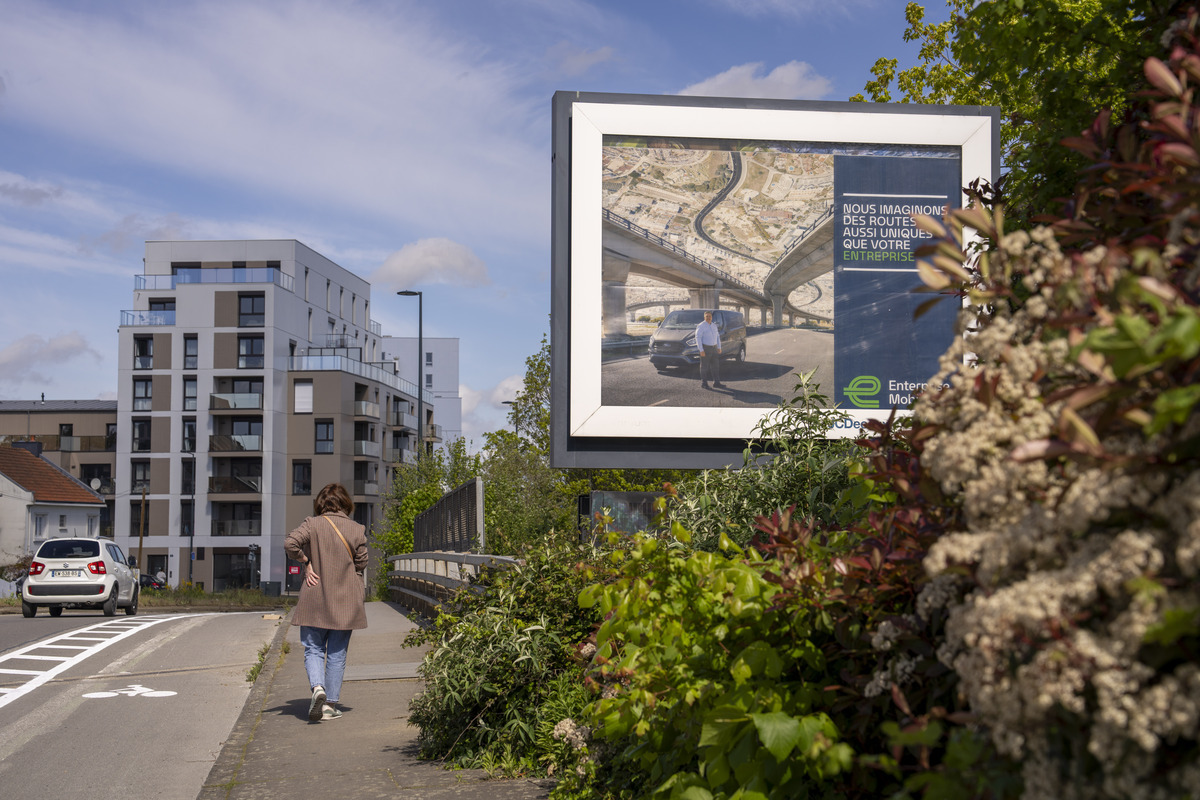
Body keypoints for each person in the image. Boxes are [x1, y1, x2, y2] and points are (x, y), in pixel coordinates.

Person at [285, 482, 368, 722]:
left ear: (321, 504)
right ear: (346, 504)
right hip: (346, 602)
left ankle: (317, 688)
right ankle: (329, 705)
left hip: (315, 596)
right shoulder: (356, 529)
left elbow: (290, 543)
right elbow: (361, 562)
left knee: (313, 648)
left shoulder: (312, 524)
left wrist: (306, 561)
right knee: (337, 654)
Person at [695, 310, 724, 389]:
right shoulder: (701, 326)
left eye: (710, 316)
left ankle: (716, 382)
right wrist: (701, 350)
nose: (708, 318)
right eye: (707, 316)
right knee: (704, 367)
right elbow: (698, 338)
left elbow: (717, 337)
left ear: (712, 317)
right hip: (706, 348)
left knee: (715, 366)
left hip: (714, 348)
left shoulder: (714, 325)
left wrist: (719, 347)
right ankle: (704, 383)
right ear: (704, 317)